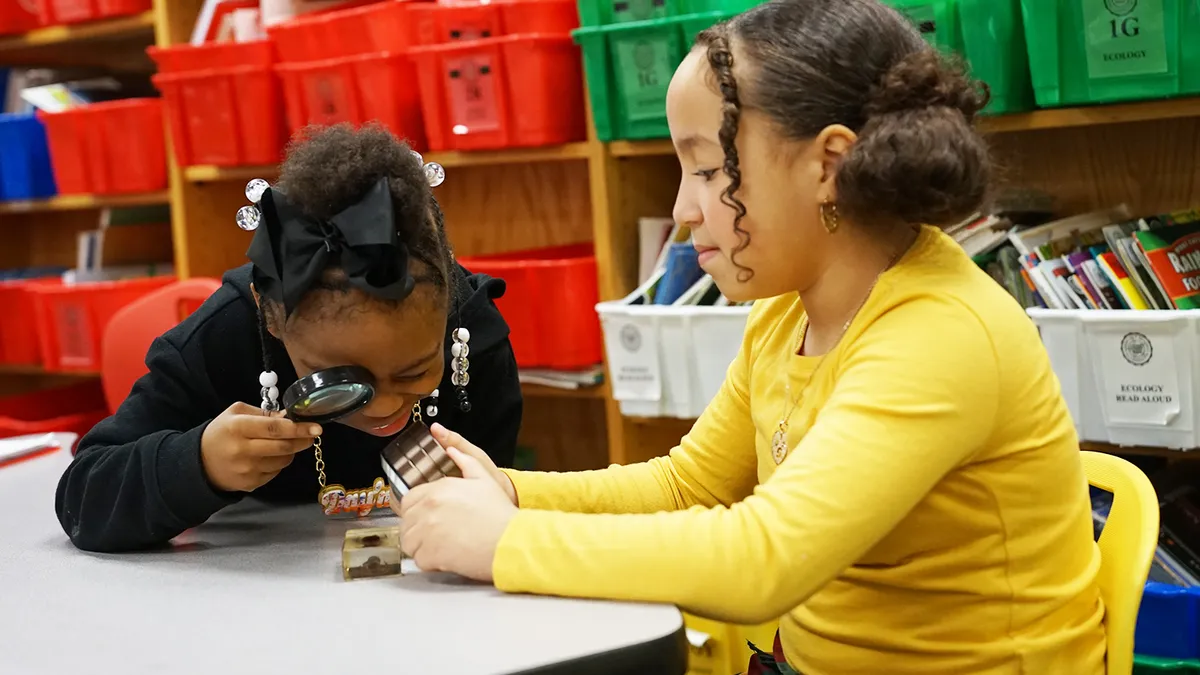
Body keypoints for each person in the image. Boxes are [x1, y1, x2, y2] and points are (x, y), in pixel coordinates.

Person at [389, 1, 1107, 673]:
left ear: (828, 165)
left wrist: (505, 541)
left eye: (705, 168)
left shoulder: (941, 333)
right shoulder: (789, 311)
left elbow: (764, 559)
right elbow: (688, 484)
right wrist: (510, 493)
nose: (683, 209)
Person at [55, 124, 523, 554]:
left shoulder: (473, 334)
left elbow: (497, 494)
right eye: (340, 379)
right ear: (269, 315)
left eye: (416, 371)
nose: (382, 407)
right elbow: (83, 498)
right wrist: (199, 464)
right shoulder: (220, 339)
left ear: (446, 312)